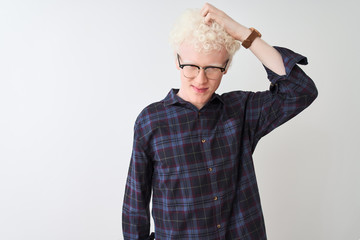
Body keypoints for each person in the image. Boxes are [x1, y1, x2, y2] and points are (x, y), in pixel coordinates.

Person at [122, 3, 318, 240]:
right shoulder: (151, 121)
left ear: (225, 67)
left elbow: (300, 91)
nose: (201, 79)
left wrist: (243, 34)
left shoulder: (241, 110)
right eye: (191, 66)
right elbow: (136, 204)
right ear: (177, 60)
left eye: (212, 68)